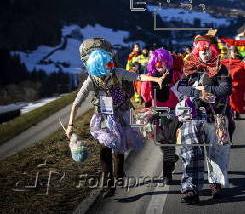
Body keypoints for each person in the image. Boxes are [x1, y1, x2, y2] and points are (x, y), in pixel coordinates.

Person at [66, 45, 167, 198]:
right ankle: (108, 185)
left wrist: (156, 78)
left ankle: (119, 174)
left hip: (121, 113)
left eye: (110, 63)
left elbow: (137, 77)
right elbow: (76, 103)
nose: (110, 65)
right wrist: (71, 125)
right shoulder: (91, 80)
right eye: (107, 64)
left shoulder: (116, 73)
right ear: (98, 66)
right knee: (104, 149)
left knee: (119, 146)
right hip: (103, 117)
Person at [176, 30, 234, 204]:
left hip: (215, 117)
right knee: (190, 152)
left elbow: (226, 89)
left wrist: (206, 91)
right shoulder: (190, 66)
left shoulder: (220, 68)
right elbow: (179, 87)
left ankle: (215, 184)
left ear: (213, 49)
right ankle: (190, 189)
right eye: (199, 48)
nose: (203, 51)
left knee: (216, 153)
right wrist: (195, 92)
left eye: (206, 48)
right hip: (192, 117)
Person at [140, 48, 182, 185]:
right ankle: (171, 158)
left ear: (167, 63)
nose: (159, 64)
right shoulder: (150, 77)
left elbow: (182, 92)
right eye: (156, 62)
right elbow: (145, 96)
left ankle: (167, 174)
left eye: (162, 62)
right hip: (157, 112)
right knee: (159, 140)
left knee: (169, 143)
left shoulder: (175, 75)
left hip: (172, 112)